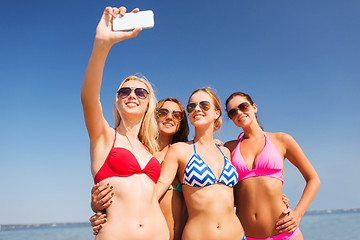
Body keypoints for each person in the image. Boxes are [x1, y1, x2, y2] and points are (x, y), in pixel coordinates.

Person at [81, 6, 169, 240]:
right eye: (124, 91)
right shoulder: (104, 137)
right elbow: (88, 98)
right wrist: (102, 44)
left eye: (140, 92)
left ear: (149, 103)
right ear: (117, 101)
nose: (132, 95)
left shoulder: (151, 149)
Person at [224, 92, 320, 240]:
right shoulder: (228, 148)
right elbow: (228, 191)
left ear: (254, 107)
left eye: (243, 106)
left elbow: (313, 179)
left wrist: (298, 214)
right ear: (231, 118)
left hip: (285, 233)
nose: (239, 112)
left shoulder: (282, 140)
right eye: (232, 111)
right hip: (246, 235)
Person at [90, 98, 189, 240]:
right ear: (153, 117)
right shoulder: (141, 157)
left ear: (180, 124)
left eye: (176, 115)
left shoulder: (186, 155)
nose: (169, 117)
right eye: (163, 112)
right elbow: (115, 188)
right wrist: (97, 207)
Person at [156, 88, 245, 240]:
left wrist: (279, 198)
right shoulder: (180, 150)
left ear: (217, 113)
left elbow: (238, 195)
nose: (196, 109)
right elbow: (157, 190)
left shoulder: (226, 152)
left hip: (237, 235)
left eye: (204, 105)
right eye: (191, 107)